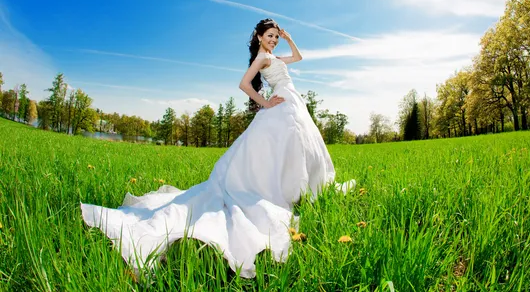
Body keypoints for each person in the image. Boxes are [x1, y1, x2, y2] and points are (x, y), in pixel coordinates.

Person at [80, 18, 352, 279]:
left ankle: (298, 189)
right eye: (270, 36)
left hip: (292, 103)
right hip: (280, 105)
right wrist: (264, 103)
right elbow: (244, 84)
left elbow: (299, 58)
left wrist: (291, 39)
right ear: (259, 37)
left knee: (297, 146)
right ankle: (279, 191)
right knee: (276, 150)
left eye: (276, 37)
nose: (273, 40)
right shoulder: (263, 58)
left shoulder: (275, 57)